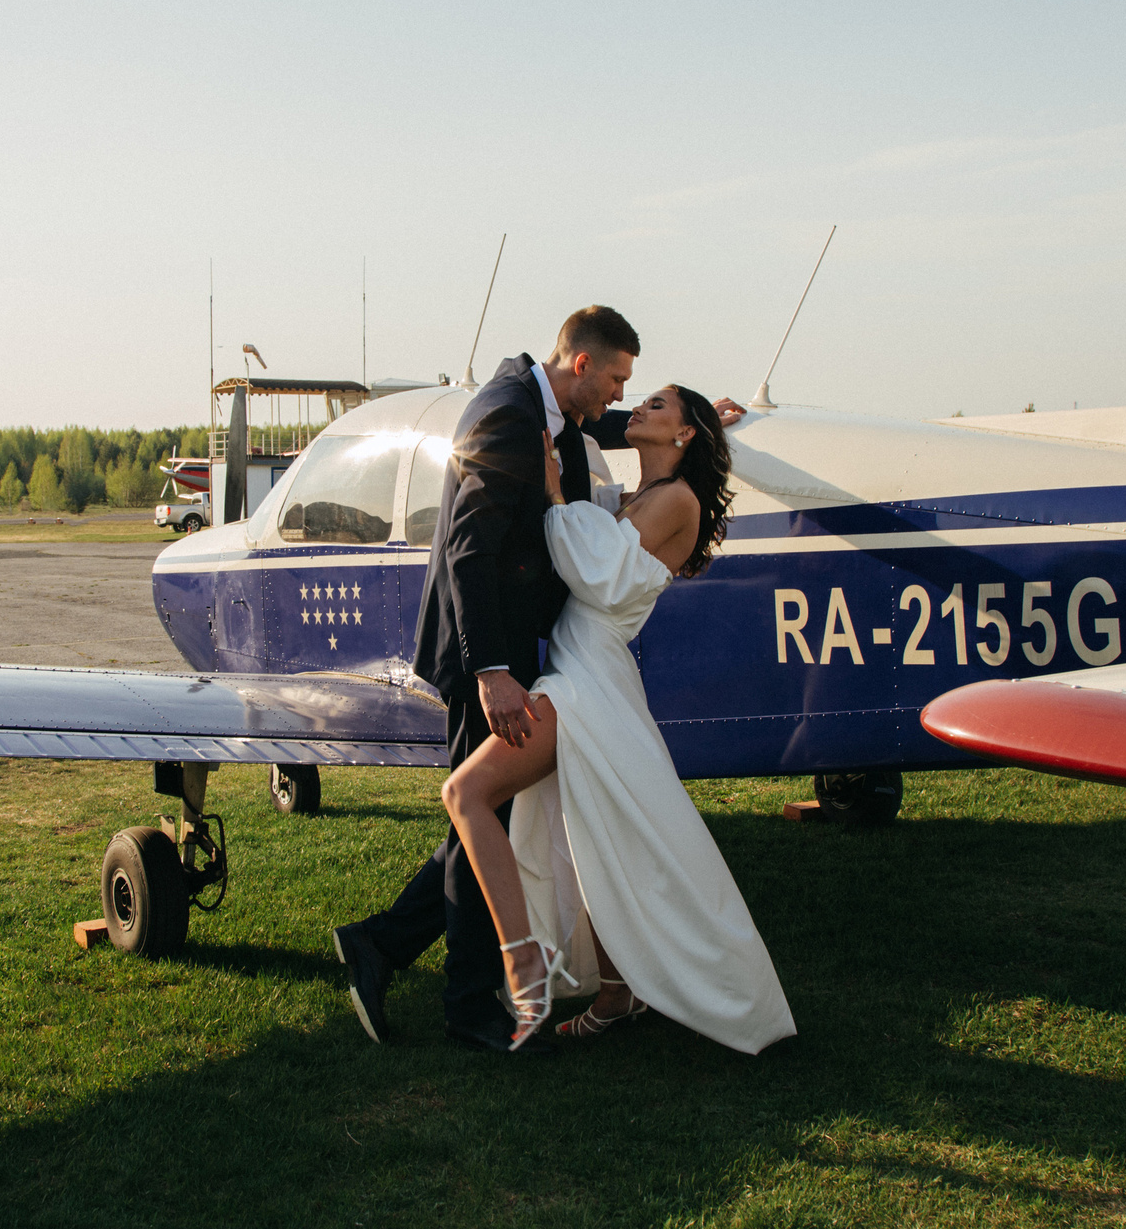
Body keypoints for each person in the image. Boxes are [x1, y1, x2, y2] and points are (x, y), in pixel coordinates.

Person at [331, 306, 735, 1055]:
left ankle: (382, 945)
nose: (621, 397)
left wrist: (705, 427)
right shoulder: (507, 415)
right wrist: (490, 671)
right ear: (582, 364)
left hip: (540, 658)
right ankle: (460, 1000)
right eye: (618, 379)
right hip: (488, 656)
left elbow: (601, 434)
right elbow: (467, 550)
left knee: (487, 813)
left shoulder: (547, 409)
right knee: (479, 810)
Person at [442, 383, 795, 1055]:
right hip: (581, 670)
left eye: (658, 405)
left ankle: (522, 965)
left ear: (683, 434)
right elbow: (595, 534)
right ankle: (614, 988)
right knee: (596, 836)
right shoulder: (636, 499)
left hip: (587, 682)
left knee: (467, 792)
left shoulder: (677, 502)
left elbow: (593, 570)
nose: (639, 408)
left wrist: (552, 496)